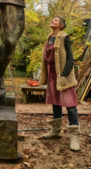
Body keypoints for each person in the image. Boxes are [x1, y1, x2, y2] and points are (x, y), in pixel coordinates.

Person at [39, 16, 80, 151]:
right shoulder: (49, 38)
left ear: (61, 25)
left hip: (63, 75)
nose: (52, 20)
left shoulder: (64, 37)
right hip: (52, 74)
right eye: (52, 19)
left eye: (55, 20)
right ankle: (56, 131)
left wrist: (63, 74)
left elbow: (70, 58)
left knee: (70, 105)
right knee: (55, 102)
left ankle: (74, 137)